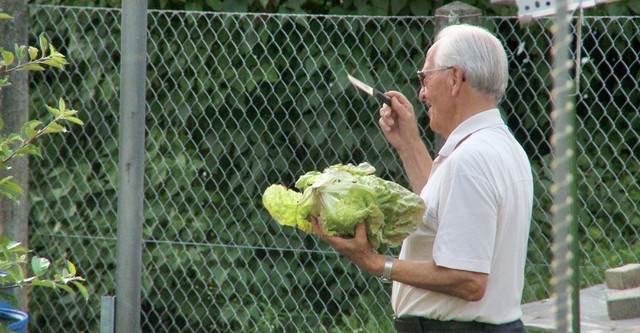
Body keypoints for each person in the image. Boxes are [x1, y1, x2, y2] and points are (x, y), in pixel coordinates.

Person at [310, 24, 533, 333]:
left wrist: (377, 264)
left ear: (455, 78)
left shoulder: (471, 160)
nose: (421, 92)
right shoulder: (501, 147)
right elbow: (444, 217)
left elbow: (468, 280)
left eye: (425, 77)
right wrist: (409, 143)